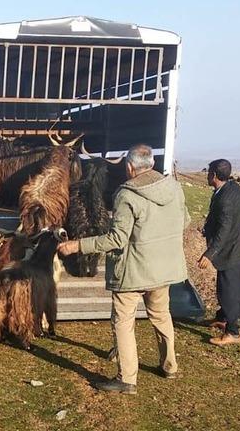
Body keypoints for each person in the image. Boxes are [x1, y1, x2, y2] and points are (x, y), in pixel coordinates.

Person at [58, 144, 189, 395]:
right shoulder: (174, 188)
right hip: (164, 269)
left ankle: (127, 379)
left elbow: (116, 239)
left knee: (123, 321)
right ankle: (169, 366)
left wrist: (78, 245)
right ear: (151, 164)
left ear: (129, 167)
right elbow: (184, 221)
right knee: (161, 315)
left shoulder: (127, 195)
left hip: (134, 271)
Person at [197, 159, 240, 346]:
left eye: (208, 173)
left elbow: (225, 230)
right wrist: (208, 228)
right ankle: (222, 318)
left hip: (233, 250)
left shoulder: (226, 199)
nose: (207, 175)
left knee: (229, 290)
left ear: (214, 175)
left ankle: (233, 332)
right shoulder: (231, 188)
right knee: (232, 287)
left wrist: (209, 254)